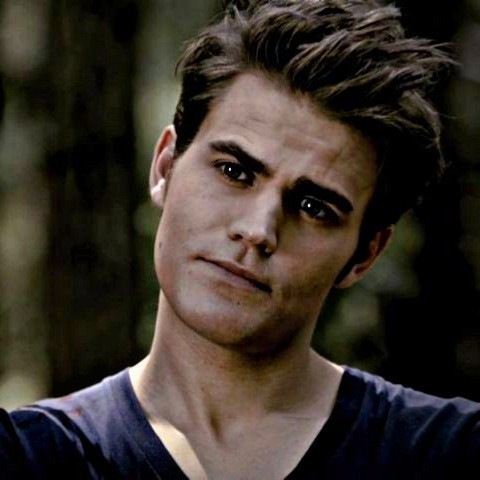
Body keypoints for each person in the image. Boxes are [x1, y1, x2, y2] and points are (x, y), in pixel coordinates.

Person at [1, 0, 479, 478]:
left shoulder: (450, 453)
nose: (258, 230)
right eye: (234, 172)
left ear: (364, 255)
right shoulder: (29, 457)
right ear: (165, 167)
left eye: (314, 208)